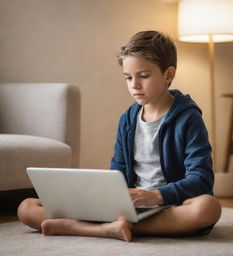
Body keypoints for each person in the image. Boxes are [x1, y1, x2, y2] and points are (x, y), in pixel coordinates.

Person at [17, 30, 221, 242]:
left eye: (143, 76)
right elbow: (118, 172)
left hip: (169, 205)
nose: (134, 85)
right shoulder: (127, 119)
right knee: (27, 207)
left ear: (168, 75)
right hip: (129, 206)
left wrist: (157, 195)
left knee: (207, 207)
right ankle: (111, 226)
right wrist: (107, 199)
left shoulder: (188, 118)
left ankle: (95, 228)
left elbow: (201, 180)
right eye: (128, 77)